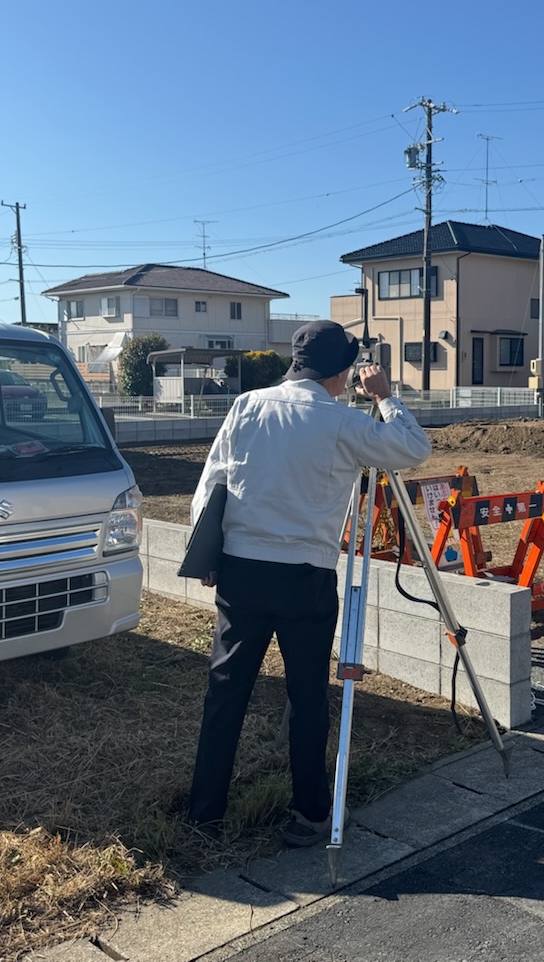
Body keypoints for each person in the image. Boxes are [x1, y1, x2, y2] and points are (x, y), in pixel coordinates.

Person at [187, 319, 432, 847]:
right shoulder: (342, 421)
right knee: (307, 697)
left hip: (241, 569)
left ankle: (204, 813)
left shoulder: (247, 405)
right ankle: (311, 812)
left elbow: (212, 484)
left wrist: (203, 551)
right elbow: (413, 448)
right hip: (306, 575)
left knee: (226, 693)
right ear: (343, 372)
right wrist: (386, 399)